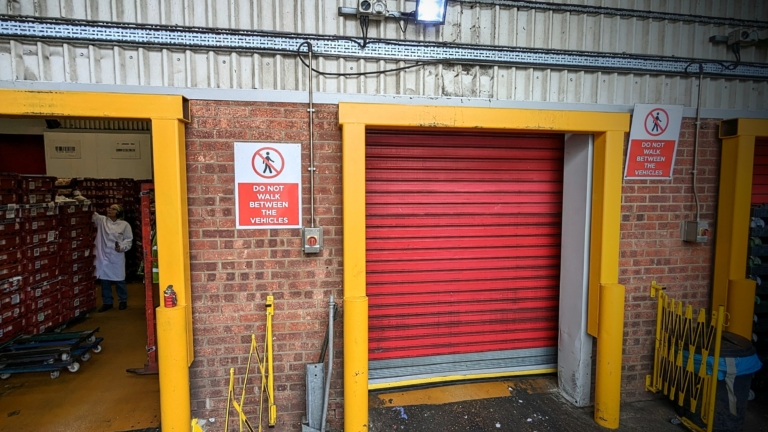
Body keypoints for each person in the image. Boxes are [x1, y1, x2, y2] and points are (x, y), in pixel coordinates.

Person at [93, 204, 133, 312]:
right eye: (109, 208)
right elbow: (91, 214)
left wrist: (121, 247)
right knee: (104, 280)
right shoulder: (102, 221)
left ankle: (123, 300)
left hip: (116, 256)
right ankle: (107, 302)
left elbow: (128, 240)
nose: (109, 210)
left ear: (119, 212)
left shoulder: (124, 225)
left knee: (119, 279)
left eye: (113, 209)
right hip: (103, 256)